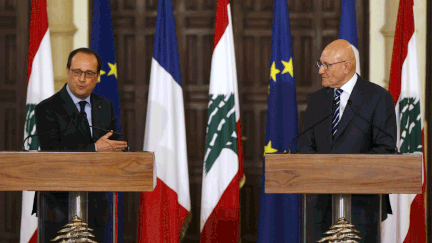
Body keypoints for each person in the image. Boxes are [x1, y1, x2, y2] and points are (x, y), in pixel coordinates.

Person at [297, 39, 397, 243]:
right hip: (321, 201)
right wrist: (325, 170)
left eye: (326, 65)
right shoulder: (317, 100)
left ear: (346, 66)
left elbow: (385, 148)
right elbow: (305, 144)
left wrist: (345, 169)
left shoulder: (378, 97)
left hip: (363, 201)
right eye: (320, 64)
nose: (320, 71)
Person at [35, 48, 128, 242]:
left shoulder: (106, 106)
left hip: (95, 203)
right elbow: (51, 153)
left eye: (88, 73)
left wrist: (121, 152)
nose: (82, 79)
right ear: (68, 71)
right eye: (77, 72)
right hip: (56, 204)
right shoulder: (47, 108)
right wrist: (95, 149)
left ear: (97, 76)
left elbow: (112, 147)